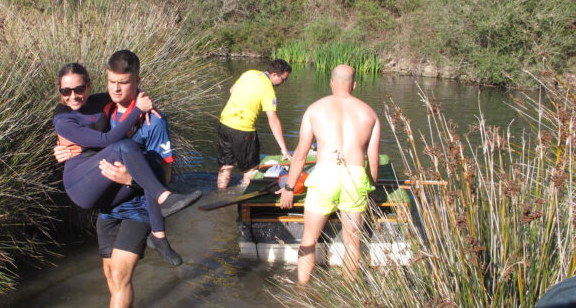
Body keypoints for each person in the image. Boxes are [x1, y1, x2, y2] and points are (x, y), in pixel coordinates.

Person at [54, 52, 184, 308]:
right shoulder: (105, 110)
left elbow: (165, 175)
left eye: (123, 83)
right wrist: (64, 150)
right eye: (111, 82)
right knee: (112, 278)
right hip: (109, 206)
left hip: (139, 205)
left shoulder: (154, 120)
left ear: (137, 82)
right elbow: (91, 141)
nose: (116, 88)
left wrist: (131, 179)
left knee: (122, 277)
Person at [53, 62, 201, 232]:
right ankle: (164, 197)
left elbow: (127, 90)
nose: (73, 96)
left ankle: (159, 235)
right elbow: (106, 140)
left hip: (103, 179)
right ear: (60, 90)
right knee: (125, 146)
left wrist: (146, 103)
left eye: (79, 89)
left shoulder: (98, 101)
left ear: (88, 86)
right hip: (80, 185)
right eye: (65, 91)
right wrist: (138, 110)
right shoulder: (62, 118)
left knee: (152, 162)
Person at [279, 64, 380, 283]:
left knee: (309, 239)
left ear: (331, 82)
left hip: (325, 174)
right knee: (353, 241)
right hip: (354, 176)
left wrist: (289, 188)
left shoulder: (315, 109)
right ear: (354, 84)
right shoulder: (369, 113)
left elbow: (300, 155)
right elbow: (373, 159)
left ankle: (302, 290)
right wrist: (370, 191)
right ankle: (349, 292)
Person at [217, 58, 293, 189]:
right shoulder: (268, 89)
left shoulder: (250, 73)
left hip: (224, 124)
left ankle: (221, 193)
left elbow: (232, 90)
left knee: (227, 166)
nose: (284, 82)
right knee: (251, 169)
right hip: (243, 130)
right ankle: (246, 198)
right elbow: (273, 119)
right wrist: (284, 149)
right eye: (283, 79)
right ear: (274, 75)